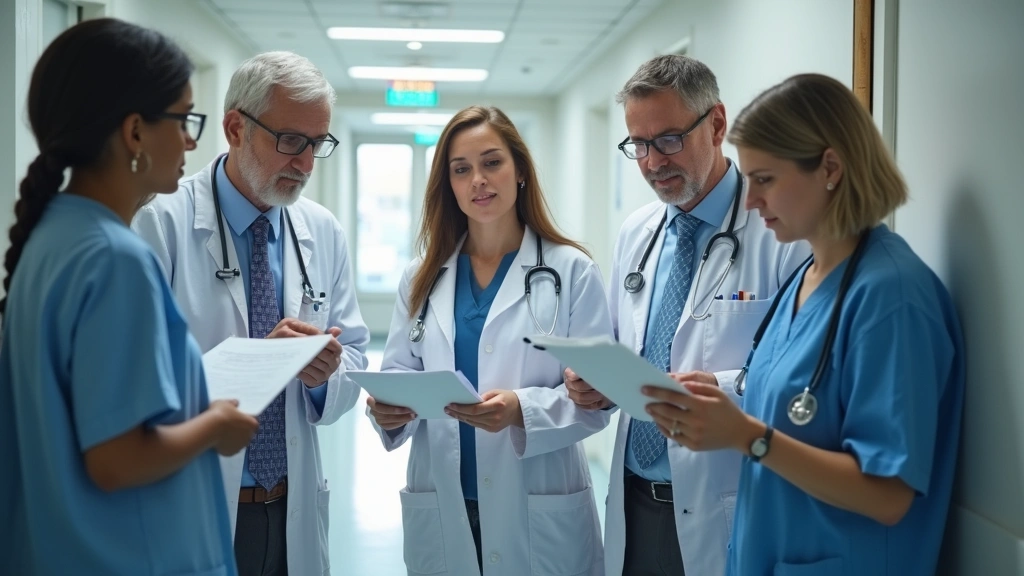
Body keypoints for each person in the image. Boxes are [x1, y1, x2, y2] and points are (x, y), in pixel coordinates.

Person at [642, 73, 965, 576]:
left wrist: (747, 436)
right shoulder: (807, 277)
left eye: (765, 180)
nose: (751, 201)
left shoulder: (892, 297)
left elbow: (889, 495)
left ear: (830, 168)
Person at [0, 18, 259, 576]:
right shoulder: (115, 259)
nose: (192, 141)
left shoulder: (51, 237)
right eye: (184, 119)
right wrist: (215, 427)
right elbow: (115, 460)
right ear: (135, 133)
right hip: (126, 556)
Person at [565, 54, 810, 575]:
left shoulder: (783, 233)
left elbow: (803, 375)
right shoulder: (637, 231)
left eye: (669, 139)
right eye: (639, 145)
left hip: (728, 504)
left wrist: (717, 389)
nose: (653, 162)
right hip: (634, 500)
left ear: (717, 125)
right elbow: (620, 347)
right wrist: (594, 380)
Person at [132, 51, 370, 576]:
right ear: (236, 128)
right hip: (194, 504)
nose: (306, 164)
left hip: (291, 508)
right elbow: (135, 381)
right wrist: (257, 364)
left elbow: (354, 354)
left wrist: (321, 378)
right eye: (290, 141)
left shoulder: (322, 230)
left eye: (317, 144)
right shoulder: (160, 224)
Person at [366, 105, 614, 576]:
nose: (477, 180)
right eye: (461, 169)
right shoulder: (421, 276)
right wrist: (387, 410)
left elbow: (597, 400)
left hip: (536, 501)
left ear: (519, 170)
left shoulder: (571, 271)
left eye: (492, 162)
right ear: (449, 185)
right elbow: (398, 372)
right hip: (444, 499)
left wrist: (523, 410)